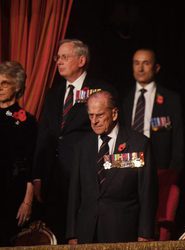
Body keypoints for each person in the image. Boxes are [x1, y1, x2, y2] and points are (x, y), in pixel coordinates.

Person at [32, 39, 116, 243]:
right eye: (57, 57)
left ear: (81, 60)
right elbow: (44, 136)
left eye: (64, 57)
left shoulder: (100, 91)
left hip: (85, 172)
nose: (59, 62)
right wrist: (37, 176)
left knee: (81, 232)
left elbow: (106, 134)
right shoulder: (54, 93)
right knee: (57, 231)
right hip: (54, 177)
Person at [66, 90, 157, 244]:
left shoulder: (138, 144)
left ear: (114, 114)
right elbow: (74, 192)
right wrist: (72, 233)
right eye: (91, 115)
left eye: (100, 115)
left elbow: (147, 192)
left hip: (122, 231)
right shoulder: (82, 146)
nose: (94, 121)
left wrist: (145, 233)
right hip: (86, 232)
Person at [122, 48, 184, 186]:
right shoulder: (123, 98)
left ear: (156, 68)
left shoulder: (171, 99)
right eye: (136, 63)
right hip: (127, 165)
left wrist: (174, 171)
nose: (140, 68)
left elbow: (178, 138)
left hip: (158, 166)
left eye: (146, 63)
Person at [0, 61, 37, 246]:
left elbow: (31, 163)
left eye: (4, 83)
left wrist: (27, 201)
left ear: (17, 86)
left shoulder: (27, 121)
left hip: (13, 193)